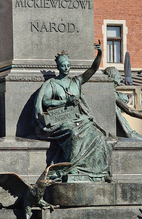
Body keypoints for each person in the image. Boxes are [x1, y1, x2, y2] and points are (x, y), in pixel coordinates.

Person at [33, 43, 115, 181]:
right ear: (58, 67)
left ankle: (99, 171)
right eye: (63, 65)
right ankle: (73, 168)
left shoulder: (76, 81)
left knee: (99, 136)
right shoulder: (52, 84)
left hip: (78, 118)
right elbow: (46, 102)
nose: (66, 68)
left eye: (68, 65)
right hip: (60, 121)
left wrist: (99, 54)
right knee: (74, 133)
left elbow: (93, 69)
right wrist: (65, 102)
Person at [105, 66, 142, 177]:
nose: (120, 78)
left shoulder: (109, 93)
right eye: (117, 76)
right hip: (124, 131)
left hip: (119, 129)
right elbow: (129, 110)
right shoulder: (113, 94)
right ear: (111, 77)